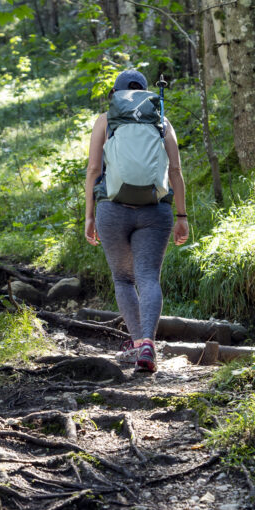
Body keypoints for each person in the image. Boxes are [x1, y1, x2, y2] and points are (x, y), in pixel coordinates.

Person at [84, 69, 189, 373]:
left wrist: (89, 216)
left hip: (112, 209)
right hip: (155, 211)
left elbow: (93, 170)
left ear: (115, 95)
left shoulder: (106, 120)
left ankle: (136, 344)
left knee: (123, 279)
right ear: (145, 94)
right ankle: (148, 345)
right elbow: (175, 172)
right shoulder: (161, 120)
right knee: (147, 277)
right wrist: (181, 216)